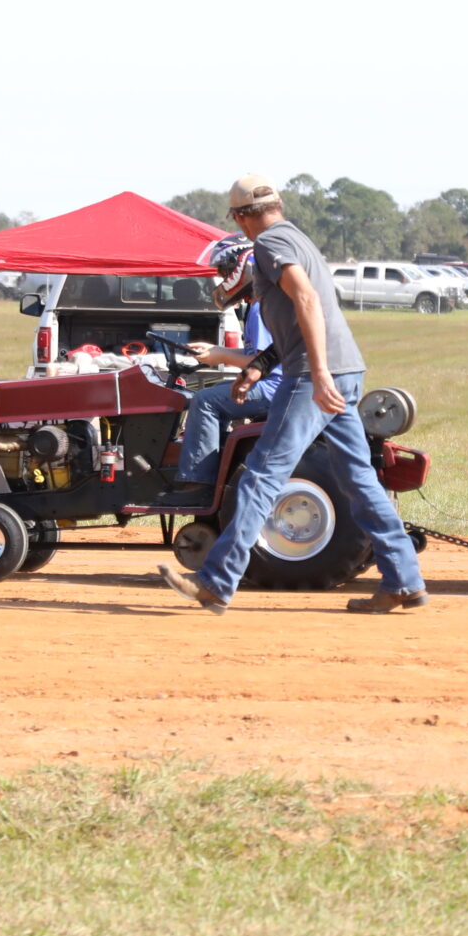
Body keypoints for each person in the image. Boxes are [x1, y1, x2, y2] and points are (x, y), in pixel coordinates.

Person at [156, 176, 429, 614]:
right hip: (345, 370)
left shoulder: (267, 244)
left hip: (314, 377)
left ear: (242, 218)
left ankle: (216, 580)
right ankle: (404, 580)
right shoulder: (298, 238)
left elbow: (305, 300)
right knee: (358, 480)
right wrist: (258, 368)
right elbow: (295, 321)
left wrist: (317, 374)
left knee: (262, 476)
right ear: (277, 205)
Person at [165, 238, 286, 497]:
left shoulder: (259, 307)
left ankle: (198, 479)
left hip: (272, 388)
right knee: (217, 392)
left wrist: (220, 355)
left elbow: (261, 362)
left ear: (243, 269)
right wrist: (215, 351)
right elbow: (257, 355)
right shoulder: (263, 302)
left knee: (205, 400)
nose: (223, 278)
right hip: (275, 385)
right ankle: (217, 465)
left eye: (224, 271)